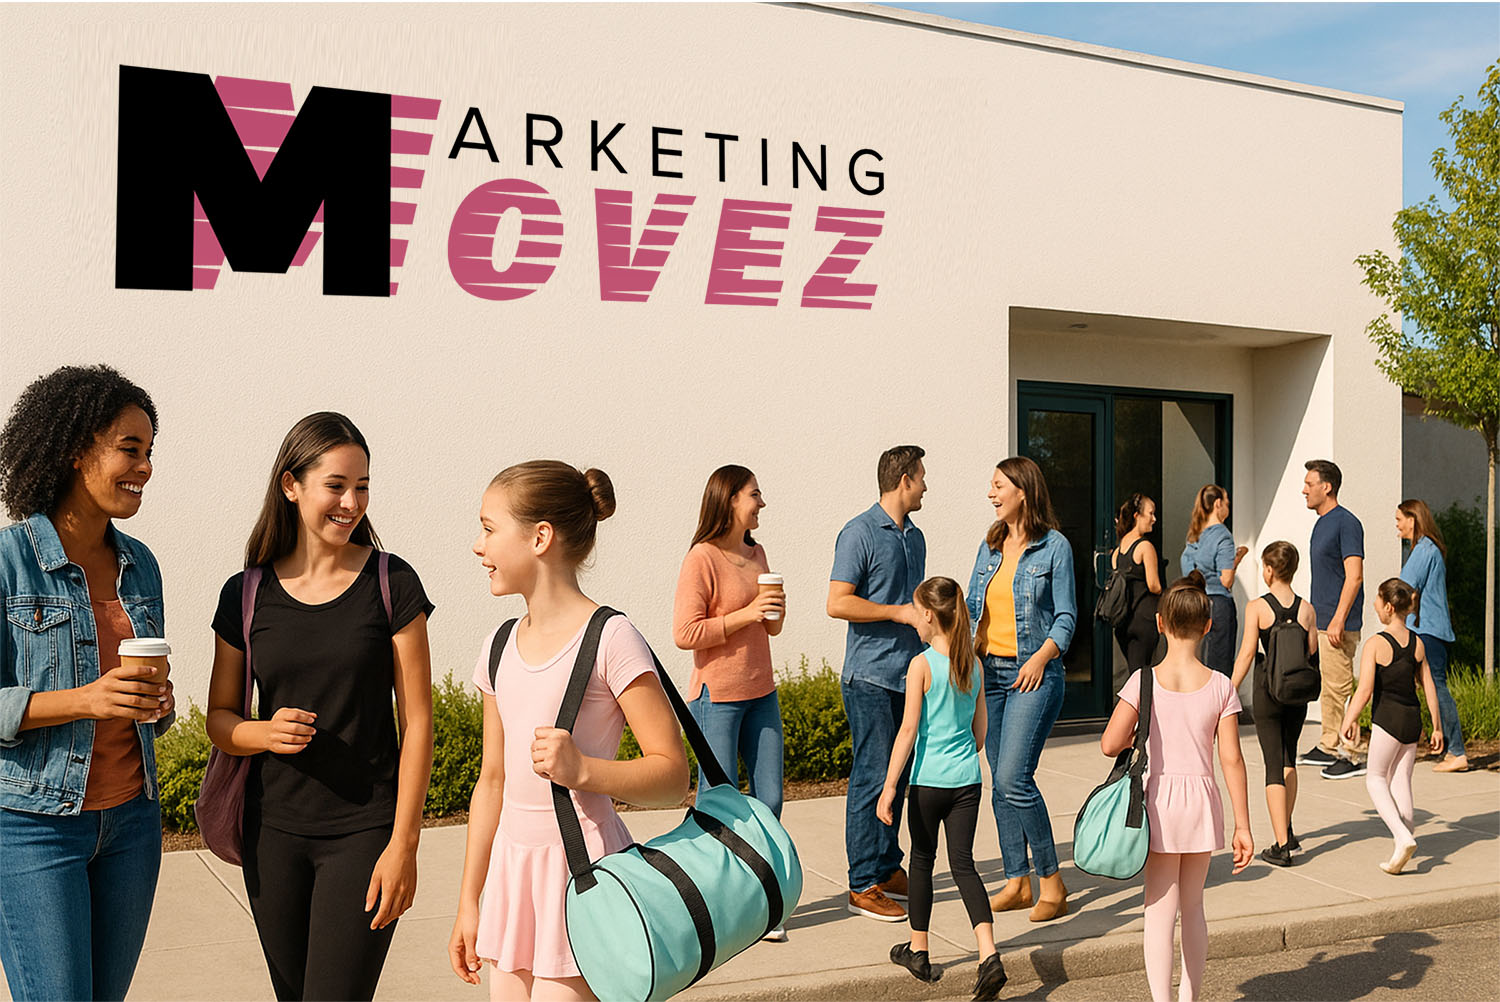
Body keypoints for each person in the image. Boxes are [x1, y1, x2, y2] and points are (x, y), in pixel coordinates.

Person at [206, 413, 434, 1002]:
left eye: (362, 486)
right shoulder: (245, 593)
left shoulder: (392, 582)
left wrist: (404, 842)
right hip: (271, 835)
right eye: (336, 485)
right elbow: (220, 719)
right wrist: (263, 734)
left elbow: (418, 723)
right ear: (291, 485)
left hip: (365, 834)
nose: (351, 502)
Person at [449, 461, 690, 1001]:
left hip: (585, 876)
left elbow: (673, 777)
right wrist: (470, 901)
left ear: (539, 537)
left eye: (489, 529)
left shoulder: (611, 637)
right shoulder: (497, 646)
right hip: (513, 880)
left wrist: (584, 769)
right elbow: (491, 782)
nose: (477, 546)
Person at [0, 365, 176, 1002]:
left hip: (132, 821)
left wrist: (159, 703)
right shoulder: (8, 561)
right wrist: (86, 699)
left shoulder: (141, 563)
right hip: (33, 825)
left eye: (149, 452)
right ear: (76, 450)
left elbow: (147, 703)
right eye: (129, 449)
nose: (145, 467)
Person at [1101, 572, 1253, 1002]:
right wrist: (1243, 825)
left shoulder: (1142, 681)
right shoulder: (1222, 686)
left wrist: (1141, 735)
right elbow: (1232, 759)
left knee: (1158, 910)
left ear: (1161, 624)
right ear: (1207, 626)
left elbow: (1110, 743)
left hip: (1159, 802)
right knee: (1194, 908)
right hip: (1202, 802)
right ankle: (1189, 997)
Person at [876, 577, 1007, 1002]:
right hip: (967, 781)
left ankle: (919, 949)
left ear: (930, 616)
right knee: (964, 864)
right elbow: (981, 732)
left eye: (916, 612)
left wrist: (889, 786)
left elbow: (909, 729)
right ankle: (989, 956)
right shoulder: (974, 664)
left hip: (929, 783)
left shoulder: (922, 665)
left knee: (921, 861)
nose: (914, 619)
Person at [673, 464, 788, 940]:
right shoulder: (701, 557)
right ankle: (708, 900)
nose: (761, 503)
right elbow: (685, 633)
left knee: (771, 801)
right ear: (730, 499)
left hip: (762, 692)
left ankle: (762, 903)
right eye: (754, 495)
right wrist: (746, 614)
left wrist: (774, 612)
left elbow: (770, 626)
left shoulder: (757, 551)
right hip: (715, 697)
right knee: (719, 807)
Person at [966, 455, 1076, 922]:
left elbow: (1068, 617)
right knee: (1000, 783)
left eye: (997, 486)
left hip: (1035, 673)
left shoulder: (1055, 548)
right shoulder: (990, 545)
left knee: (1014, 777)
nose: (990, 494)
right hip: (988, 674)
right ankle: (1017, 881)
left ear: (1023, 492)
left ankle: (1053, 882)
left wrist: (1040, 657)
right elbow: (972, 608)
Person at [827, 445, 928, 922]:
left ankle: (888, 868)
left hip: (907, 676)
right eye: (922, 477)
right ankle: (862, 882)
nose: (927, 485)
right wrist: (898, 612)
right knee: (871, 778)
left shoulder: (916, 538)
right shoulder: (859, 532)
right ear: (904, 479)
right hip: (867, 677)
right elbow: (838, 603)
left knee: (898, 778)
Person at [1341, 579, 1444, 875]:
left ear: (1387, 607)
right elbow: (1429, 688)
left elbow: (1365, 691)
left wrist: (1349, 720)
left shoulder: (1375, 644)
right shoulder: (1417, 643)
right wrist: (1436, 727)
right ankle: (1404, 845)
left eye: (1376, 599)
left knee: (1374, 779)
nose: (1374, 604)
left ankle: (1401, 836)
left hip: (1388, 719)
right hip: (1412, 720)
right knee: (1401, 781)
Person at [1229, 541, 1319, 866]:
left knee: (1272, 763)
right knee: (1289, 758)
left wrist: (1229, 689)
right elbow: (1311, 652)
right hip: (1297, 693)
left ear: (1269, 569)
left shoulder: (1257, 607)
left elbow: (1247, 653)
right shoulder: (1307, 609)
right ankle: (1288, 827)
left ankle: (1281, 847)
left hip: (1268, 690)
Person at [1296, 460, 1367, 780]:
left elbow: (1354, 577)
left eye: (1309, 484)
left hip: (1340, 622)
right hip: (1322, 620)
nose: (1304, 490)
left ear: (1327, 487)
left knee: (1340, 687)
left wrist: (1338, 619)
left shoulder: (1346, 523)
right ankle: (1328, 744)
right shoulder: (1321, 522)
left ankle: (1351, 754)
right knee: (1329, 688)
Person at [1397, 499, 1465, 772]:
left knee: (1436, 687)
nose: (1398, 525)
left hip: (1427, 630)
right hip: (1426, 628)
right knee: (1428, 687)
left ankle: (1457, 751)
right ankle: (1443, 746)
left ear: (1412, 520)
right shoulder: (1425, 548)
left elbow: (1404, 588)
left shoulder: (1424, 550)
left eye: (1400, 519)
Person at [1178, 485, 1247, 676]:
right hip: (1218, 604)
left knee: (1198, 661)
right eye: (1226, 503)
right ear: (1218, 504)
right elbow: (1226, 580)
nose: (1228, 508)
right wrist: (1236, 561)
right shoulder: (1223, 536)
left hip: (1196, 603)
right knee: (1219, 665)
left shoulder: (1194, 536)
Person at [1111, 493, 1163, 679]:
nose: (1154, 519)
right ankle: (1142, 708)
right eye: (1151, 513)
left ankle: (1138, 707)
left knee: (1135, 673)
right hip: (1145, 620)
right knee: (1143, 677)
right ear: (1137, 516)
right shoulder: (1145, 547)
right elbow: (1154, 585)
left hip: (1123, 622)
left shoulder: (1118, 551)